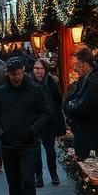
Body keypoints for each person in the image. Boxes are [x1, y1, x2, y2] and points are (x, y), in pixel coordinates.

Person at [0, 56, 52, 195]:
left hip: (28, 143)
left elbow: (46, 113)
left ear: (23, 71)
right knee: (13, 181)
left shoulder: (34, 90)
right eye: (12, 74)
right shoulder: (1, 91)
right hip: (8, 143)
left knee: (27, 179)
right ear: (8, 74)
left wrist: (33, 130)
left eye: (18, 73)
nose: (16, 77)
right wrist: (0, 130)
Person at [63, 48, 98, 158]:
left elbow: (83, 108)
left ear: (84, 64)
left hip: (91, 135)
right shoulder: (86, 80)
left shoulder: (97, 83)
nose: (75, 69)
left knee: (87, 163)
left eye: (76, 65)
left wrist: (69, 107)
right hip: (84, 133)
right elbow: (72, 101)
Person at [32, 58, 65, 187]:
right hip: (34, 122)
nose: (38, 71)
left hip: (48, 121)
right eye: (36, 68)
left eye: (40, 68)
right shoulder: (29, 83)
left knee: (50, 150)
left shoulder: (51, 82)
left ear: (45, 70)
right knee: (35, 151)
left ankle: (53, 173)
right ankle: (38, 176)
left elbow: (58, 101)